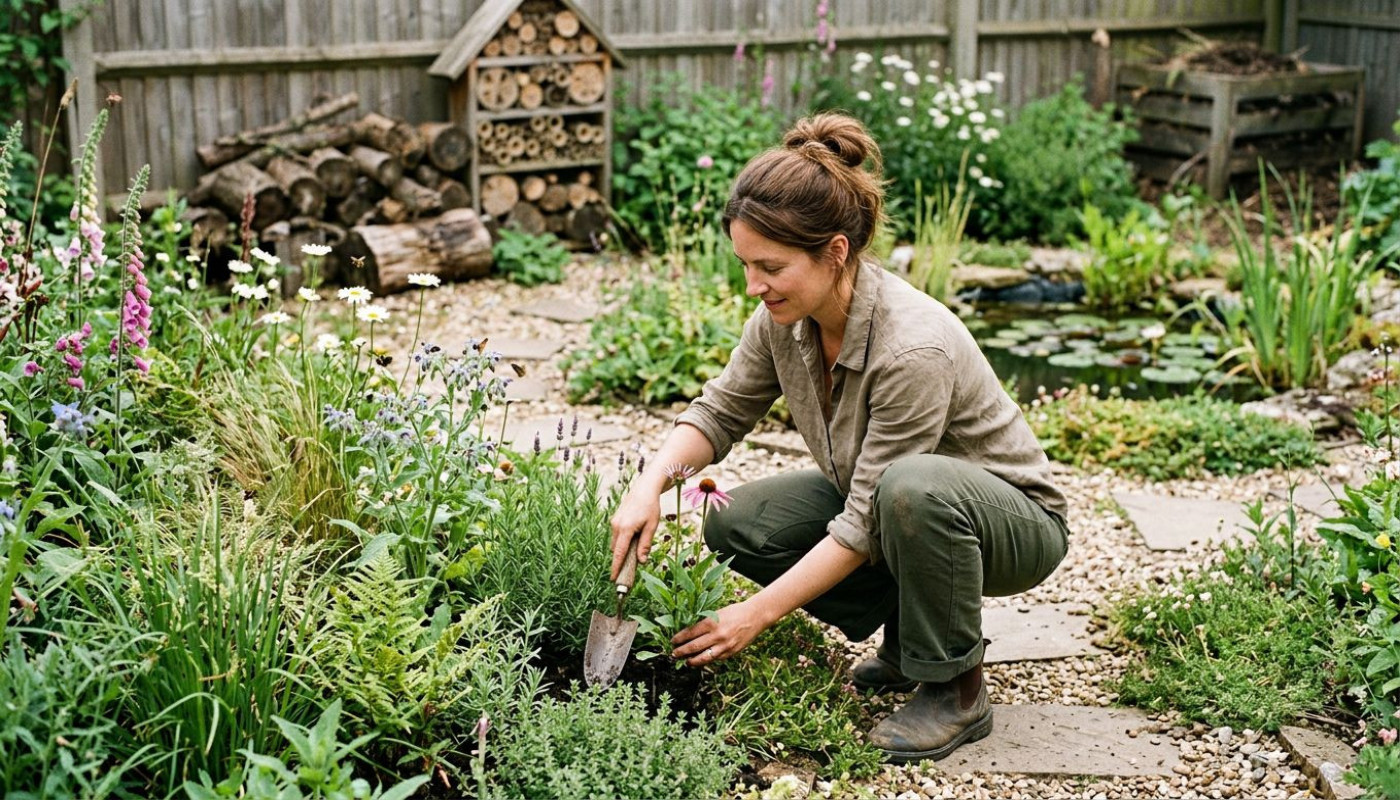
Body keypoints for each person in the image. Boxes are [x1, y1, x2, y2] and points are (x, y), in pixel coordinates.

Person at [608, 113, 1069, 763]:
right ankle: (912, 643)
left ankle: (955, 691)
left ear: (835, 252)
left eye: (769, 266)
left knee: (914, 488)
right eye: (745, 265)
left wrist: (753, 615)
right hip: (894, 505)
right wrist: (647, 486)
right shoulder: (782, 319)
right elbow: (718, 413)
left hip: (1011, 524)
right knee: (737, 523)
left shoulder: (912, 346)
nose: (753, 285)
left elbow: (864, 520)